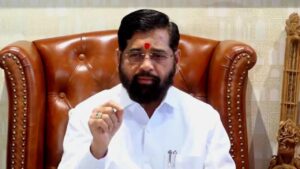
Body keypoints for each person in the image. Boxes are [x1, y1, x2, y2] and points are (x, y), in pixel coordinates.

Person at [58, 9, 235, 169]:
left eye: (158, 55)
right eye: (135, 55)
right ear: (119, 58)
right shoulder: (86, 115)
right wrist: (97, 149)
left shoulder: (203, 119)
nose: (146, 65)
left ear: (176, 59)